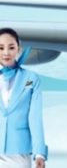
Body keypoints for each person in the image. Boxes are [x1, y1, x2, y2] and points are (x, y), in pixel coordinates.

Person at [0, 27, 47, 168]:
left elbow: (35, 117)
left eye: (11, 47)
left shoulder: (31, 79)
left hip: (19, 151)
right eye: (1, 48)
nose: (6, 53)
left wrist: (39, 153)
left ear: (18, 49)